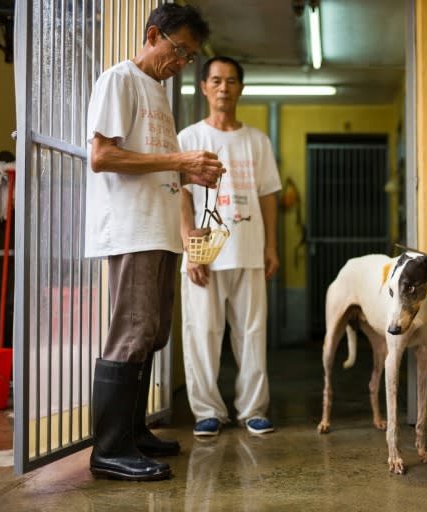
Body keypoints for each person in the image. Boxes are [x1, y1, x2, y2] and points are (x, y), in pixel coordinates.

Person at [84, 4, 224, 481]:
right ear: (152, 35)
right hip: (132, 225)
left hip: (160, 228)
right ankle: (108, 449)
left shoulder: (158, 94)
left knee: (153, 332)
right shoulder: (119, 79)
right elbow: (102, 156)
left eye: (189, 57)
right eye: (180, 51)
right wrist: (180, 158)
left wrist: (188, 169)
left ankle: (134, 432)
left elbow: (157, 160)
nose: (182, 63)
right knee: (132, 331)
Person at [178, 56, 281, 438]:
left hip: (250, 248)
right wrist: (190, 245)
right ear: (204, 86)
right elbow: (180, 195)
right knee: (202, 331)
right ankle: (207, 412)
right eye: (217, 80)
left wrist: (271, 245)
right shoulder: (188, 139)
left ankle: (253, 410)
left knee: (252, 332)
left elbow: (268, 194)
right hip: (206, 251)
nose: (224, 88)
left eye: (232, 81)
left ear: (240, 88)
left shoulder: (257, 140)